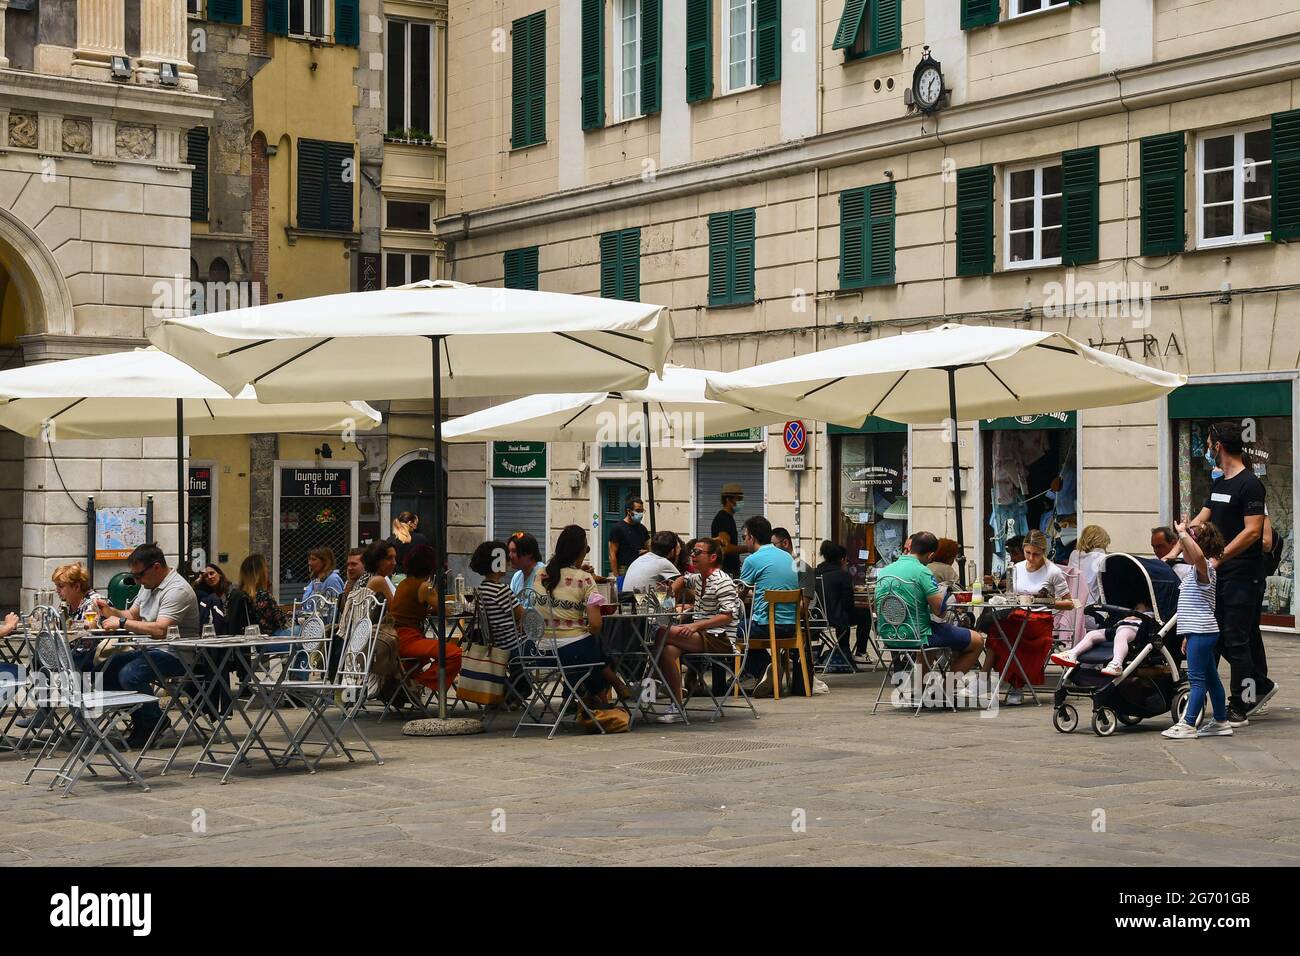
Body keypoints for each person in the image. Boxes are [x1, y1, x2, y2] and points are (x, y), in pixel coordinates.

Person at [1188, 420, 1274, 725]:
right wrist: (1180, 538)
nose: (1209, 449)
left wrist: (1219, 558)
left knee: (1236, 639)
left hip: (1243, 573)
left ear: (1219, 446)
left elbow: (1253, 532)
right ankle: (1258, 685)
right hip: (1218, 572)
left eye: (1210, 444)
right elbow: (1203, 517)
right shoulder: (1220, 483)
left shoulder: (1250, 484)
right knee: (1217, 636)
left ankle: (1241, 703)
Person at [97, 543, 200, 748]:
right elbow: (131, 615)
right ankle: (140, 718)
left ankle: (154, 722)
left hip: (177, 653)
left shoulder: (177, 590)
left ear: (156, 567)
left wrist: (122, 623)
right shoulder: (148, 585)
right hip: (150, 649)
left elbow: (161, 630)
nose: (137, 581)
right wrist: (111, 611)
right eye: (134, 576)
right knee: (106, 669)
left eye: (139, 575)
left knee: (130, 674)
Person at [874, 531, 986, 694]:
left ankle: (920, 690)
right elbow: (939, 611)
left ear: (910, 546)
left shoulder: (884, 572)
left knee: (930, 641)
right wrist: (946, 596)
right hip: (918, 635)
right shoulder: (922, 572)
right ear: (931, 555)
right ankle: (947, 689)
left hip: (888, 635)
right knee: (977, 641)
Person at [532, 525, 623, 708]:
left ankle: (573, 697)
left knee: (587, 649)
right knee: (592, 648)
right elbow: (596, 625)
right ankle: (603, 695)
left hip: (538, 650)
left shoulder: (541, 574)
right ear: (581, 550)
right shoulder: (584, 579)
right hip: (570, 651)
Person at [653, 537, 741, 724]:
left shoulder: (722, 581)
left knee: (660, 632)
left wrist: (694, 625)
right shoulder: (700, 579)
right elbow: (683, 579)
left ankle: (649, 680)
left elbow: (727, 615)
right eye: (692, 551)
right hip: (701, 635)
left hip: (720, 638)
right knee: (667, 651)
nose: (693, 555)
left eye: (698, 552)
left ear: (713, 557)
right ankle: (677, 706)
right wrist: (670, 592)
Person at [1163, 520, 1233, 739]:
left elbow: (1199, 557)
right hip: (1199, 632)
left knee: (1196, 680)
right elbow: (1193, 607)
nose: (1182, 550)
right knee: (1211, 678)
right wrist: (1187, 635)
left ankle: (1189, 723)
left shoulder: (1205, 568)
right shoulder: (1198, 571)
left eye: (1186, 546)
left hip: (1202, 632)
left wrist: (1183, 534)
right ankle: (1221, 721)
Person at [19, 564, 103, 730]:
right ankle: (44, 712)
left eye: (61, 586)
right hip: (71, 652)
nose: (57, 590)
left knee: (45, 661)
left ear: (77, 586)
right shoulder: (68, 604)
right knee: (39, 660)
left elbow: (92, 632)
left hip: (91, 654)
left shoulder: (93, 602)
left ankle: (68, 712)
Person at [993, 529, 1073, 705]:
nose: (1030, 558)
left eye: (1035, 554)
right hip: (1018, 614)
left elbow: (1070, 603)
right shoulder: (1016, 568)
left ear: (1043, 552)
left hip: (1041, 618)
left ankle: (1015, 685)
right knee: (996, 629)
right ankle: (990, 680)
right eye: (1027, 553)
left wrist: (1042, 601)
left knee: (1010, 632)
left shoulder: (1053, 571)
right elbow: (1011, 595)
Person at [738, 515, 809, 696]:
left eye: (744, 537)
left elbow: (738, 596)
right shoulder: (787, 557)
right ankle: (768, 669)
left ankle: (763, 669)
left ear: (752, 537)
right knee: (744, 627)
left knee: (729, 631)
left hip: (765, 625)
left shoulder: (752, 560)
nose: (744, 541)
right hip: (792, 627)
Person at [388, 544, 461, 693]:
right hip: (408, 639)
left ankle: (410, 683)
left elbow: (412, 607)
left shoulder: (403, 584)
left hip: (394, 637)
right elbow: (445, 610)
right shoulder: (424, 587)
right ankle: (418, 683)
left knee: (425, 657)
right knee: (455, 654)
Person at [816, 540, 870, 665]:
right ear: (841, 559)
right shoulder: (842, 576)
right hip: (836, 618)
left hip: (817, 617)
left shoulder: (815, 573)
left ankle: (844, 650)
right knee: (864, 614)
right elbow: (848, 604)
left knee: (843, 612)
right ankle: (859, 652)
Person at [470, 541, 523, 652]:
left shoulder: (481, 589)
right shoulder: (501, 590)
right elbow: (525, 616)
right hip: (516, 646)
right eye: (506, 559)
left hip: (498, 647)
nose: (509, 563)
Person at [232, 554, 288, 636]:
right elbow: (281, 621)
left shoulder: (237, 594)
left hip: (243, 639)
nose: (267, 571)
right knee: (300, 631)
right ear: (260, 573)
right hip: (265, 641)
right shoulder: (264, 596)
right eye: (266, 568)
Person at [607, 496, 649, 588]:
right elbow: (612, 554)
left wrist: (647, 552)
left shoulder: (642, 529)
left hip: (640, 569)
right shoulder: (618, 528)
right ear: (629, 511)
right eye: (638, 511)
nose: (640, 513)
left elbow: (649, 548)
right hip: (624, 569)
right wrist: (617, 577)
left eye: (642, 511)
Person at [711, 483, 745, 576]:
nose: (741, 503)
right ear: (728, 500)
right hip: (727, 572)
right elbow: (725, 548)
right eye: (738, 499)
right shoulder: (723, 519)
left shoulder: (729, 517)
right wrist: (748, 548)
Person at [507, 532, 542, 608]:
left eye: (514, 551)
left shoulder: (543, 574)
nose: (510, 556)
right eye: (509, 551)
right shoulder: (516, 577)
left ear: (530, 553)